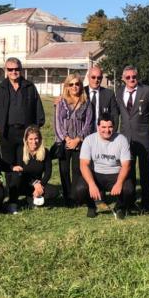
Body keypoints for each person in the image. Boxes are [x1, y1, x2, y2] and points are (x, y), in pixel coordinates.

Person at [0, 57, 45, 180]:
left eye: (16, 69)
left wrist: (36, 127)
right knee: (9, 163)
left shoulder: (29, 87)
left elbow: (38, 107)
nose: (13, 72)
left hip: (25, 132)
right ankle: (11, 193)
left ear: (21, 69)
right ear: (6, 70)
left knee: (24, 161)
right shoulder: (0, 88)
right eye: (10, 69)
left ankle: (25, 190)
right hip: (6, 131)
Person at [75, 115, 135, 219]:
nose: (107, 130)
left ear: (114, 127)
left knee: (129, 189)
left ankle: (119, 207)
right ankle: (91, 206)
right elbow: (83, 164)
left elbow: (126, 165)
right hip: (97, 174)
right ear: (98, 127)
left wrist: (119, 183)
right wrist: (92, 184)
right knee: (80, 189)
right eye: (103, 127)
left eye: (110, 127)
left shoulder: (122, 140)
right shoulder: (89, 140)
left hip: (115, 174)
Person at [115, 65, 149, 213]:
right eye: (128, 77)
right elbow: (118, 114)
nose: (131, 79)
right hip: (126, 139)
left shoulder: (147, 90)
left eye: (134, 77)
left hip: (143, 137)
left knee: (145, 171)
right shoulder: (119, 92)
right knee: (128, 171)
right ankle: (130, 201)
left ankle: (147, 203)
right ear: (123, 79)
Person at [54, 73, 93, 205]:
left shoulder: (86, 103)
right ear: (67, 87)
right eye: (71, 84)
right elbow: (57, 122)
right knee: (64, 170)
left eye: (77, 84)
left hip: (79, 142)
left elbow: (89, 123)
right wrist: (66, 138)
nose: (74, 87)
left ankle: (76, 197)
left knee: (77, 170)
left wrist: (78, 139)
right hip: (64, 142)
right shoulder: (61, 102)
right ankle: (67, 197)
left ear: (81, 86)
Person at [7, 126, 59, 210]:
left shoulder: (45, 152)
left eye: (36, 138)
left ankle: (32, 199)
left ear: (40, 139)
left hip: (38, 184)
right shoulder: (20, 150)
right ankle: (12, 203)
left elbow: (48, 173)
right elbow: (20, 172)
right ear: (26, 139)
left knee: (54, 191)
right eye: (30, 139)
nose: (34, 142)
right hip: (24, 182)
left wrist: (40, 185)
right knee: (16, 176)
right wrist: (34, 183)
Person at [83, 65, 120, 133]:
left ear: (102, 78)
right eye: (93, 77)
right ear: (88, 77)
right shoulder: (82, 92)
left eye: (99, 77)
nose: (96, 80)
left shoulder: (109, 94)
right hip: (84, 134)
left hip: (102, 134)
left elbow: (115, 116)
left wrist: (111, 133)